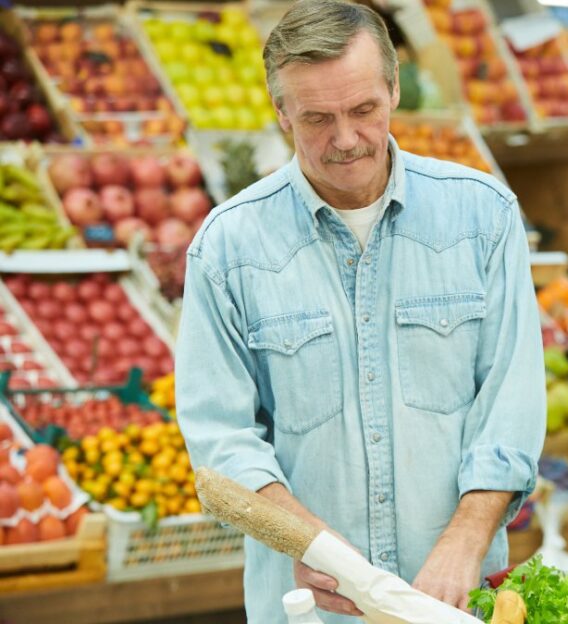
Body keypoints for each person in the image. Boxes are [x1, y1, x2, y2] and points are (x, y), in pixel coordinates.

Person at [175, 1, 545, 621]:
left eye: (364, 110)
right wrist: (310, 544)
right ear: (280, 112)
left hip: (456, 599)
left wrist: (464, 542)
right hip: (310, 608)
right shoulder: (228, 247)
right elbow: (220, 436)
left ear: (395, 89)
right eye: (317, 118)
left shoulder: (483, 217)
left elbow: (510, 401)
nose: (345, 140)